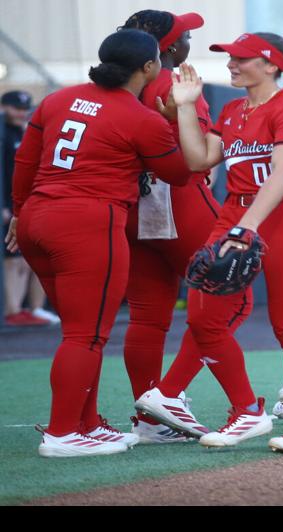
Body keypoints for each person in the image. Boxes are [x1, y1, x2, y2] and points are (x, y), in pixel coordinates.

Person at [135, 33, 283, 454]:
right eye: (231, 57)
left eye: (242, 58)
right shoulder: (232, 108)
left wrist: (246, 227)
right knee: (205, 320)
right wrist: (186, 106)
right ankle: (247, 411)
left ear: (271, 65)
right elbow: (198, 160)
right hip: (235, 214)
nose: (232, 64)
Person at [8, 29, 192, 457]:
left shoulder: (57, 99)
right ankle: (61, 433)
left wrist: (19, 211)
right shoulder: (140, 117)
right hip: (88, 221)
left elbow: (25, 162)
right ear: (148, 67)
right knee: (85, 335)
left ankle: (85, 423)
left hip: (38, 216)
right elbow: (181, 174)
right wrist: (173, 117)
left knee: (77, 333)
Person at [110, 10, 234, 444]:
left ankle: (149, 418)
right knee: (232, 294)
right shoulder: (173, 81)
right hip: (177, 197)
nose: (190, 43)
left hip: (130, 202)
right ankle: (168, 395)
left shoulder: (115, 83)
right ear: (168, 47)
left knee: (147, 315)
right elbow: (193, 156)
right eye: (185, 37)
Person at [2, 87, 55, 328]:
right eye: (16, 108)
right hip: (9, 204)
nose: (21, 113)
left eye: (25, 109)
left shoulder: (24, 132)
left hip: (24, 203)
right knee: (12, 259)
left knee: (24, 260)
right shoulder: (4, 134)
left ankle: (24, 308)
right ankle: (12, 308)